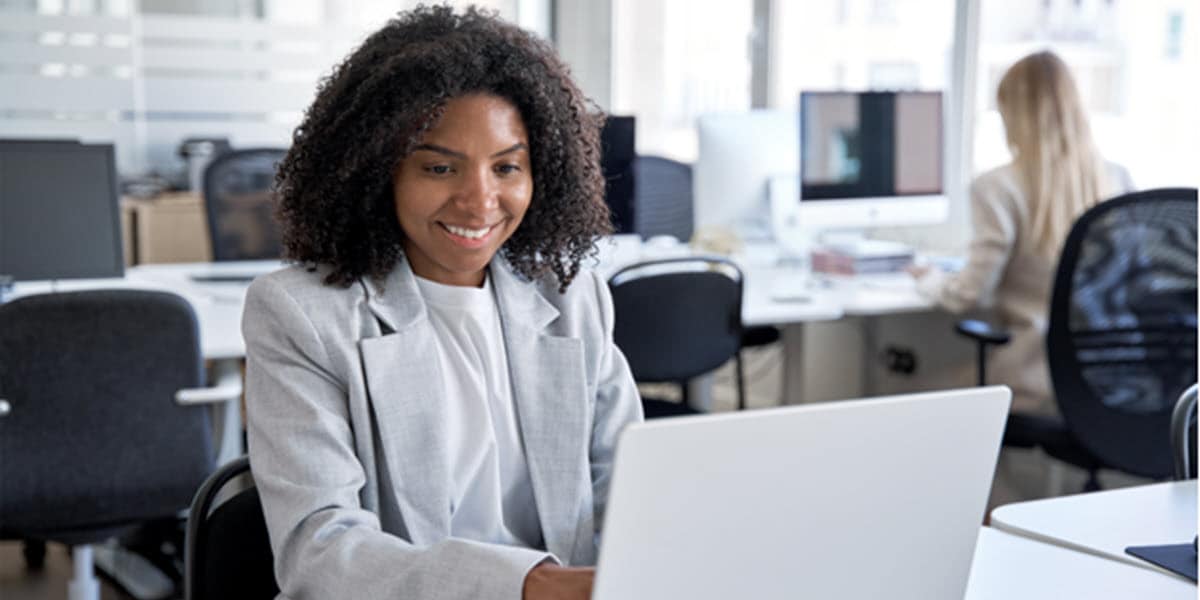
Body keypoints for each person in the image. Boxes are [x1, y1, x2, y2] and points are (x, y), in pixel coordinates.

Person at [241, 6, 643, 599]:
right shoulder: (301, 315)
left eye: (507, 166)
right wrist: (531, 587)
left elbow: (630, 494)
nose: (480, 201)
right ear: (379, 172)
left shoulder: (573, 296)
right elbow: (320, 552)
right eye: (438, 167)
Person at [909, 50, 1133, 418]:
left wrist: (930, 279)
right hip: (1115, 382)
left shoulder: (998, 187)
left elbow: (970, 293)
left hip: (1034, 376)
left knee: (903, 398)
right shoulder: (1115, 179)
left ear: (1014, 115)